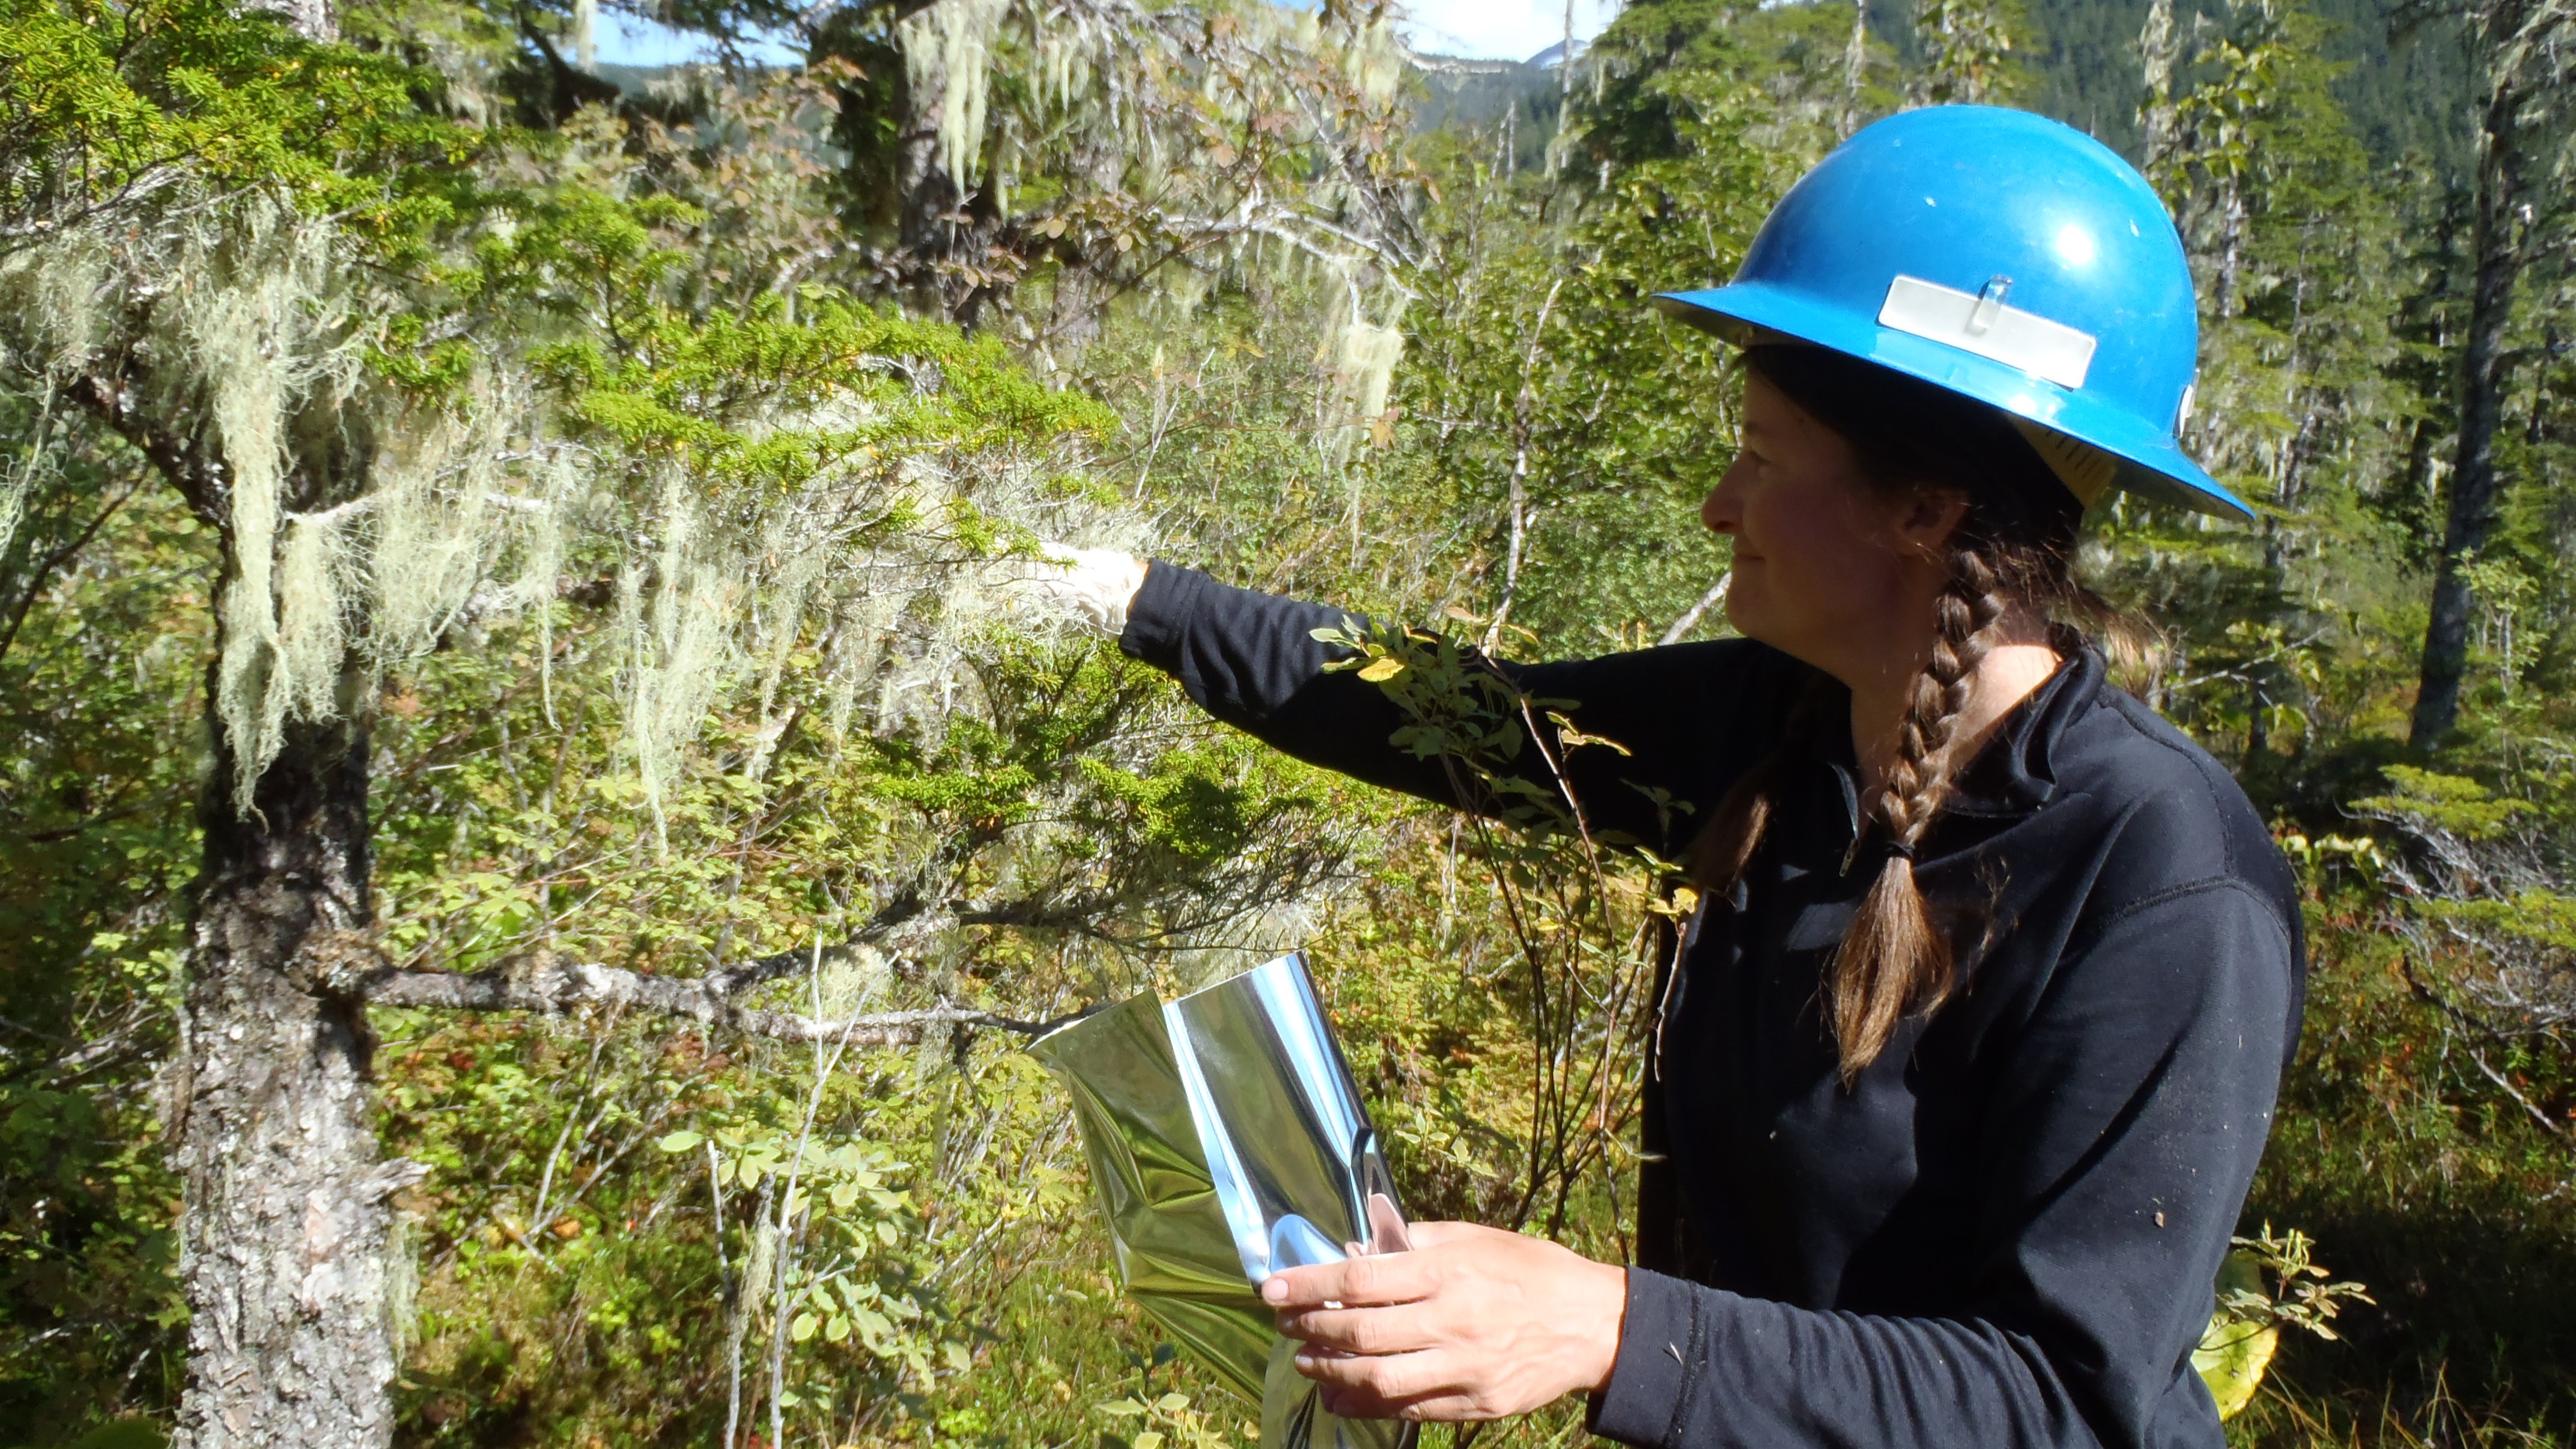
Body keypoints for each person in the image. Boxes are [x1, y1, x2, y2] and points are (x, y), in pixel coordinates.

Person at [1028, 105, 2303, 1449]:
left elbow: (2064, 1402)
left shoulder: (2163, 881)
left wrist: (1607, 1326)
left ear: (1922, 511)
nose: (1716, 502)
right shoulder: (1784, 726)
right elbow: (1461, 720)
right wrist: (1136, 602)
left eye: (1757, 456)